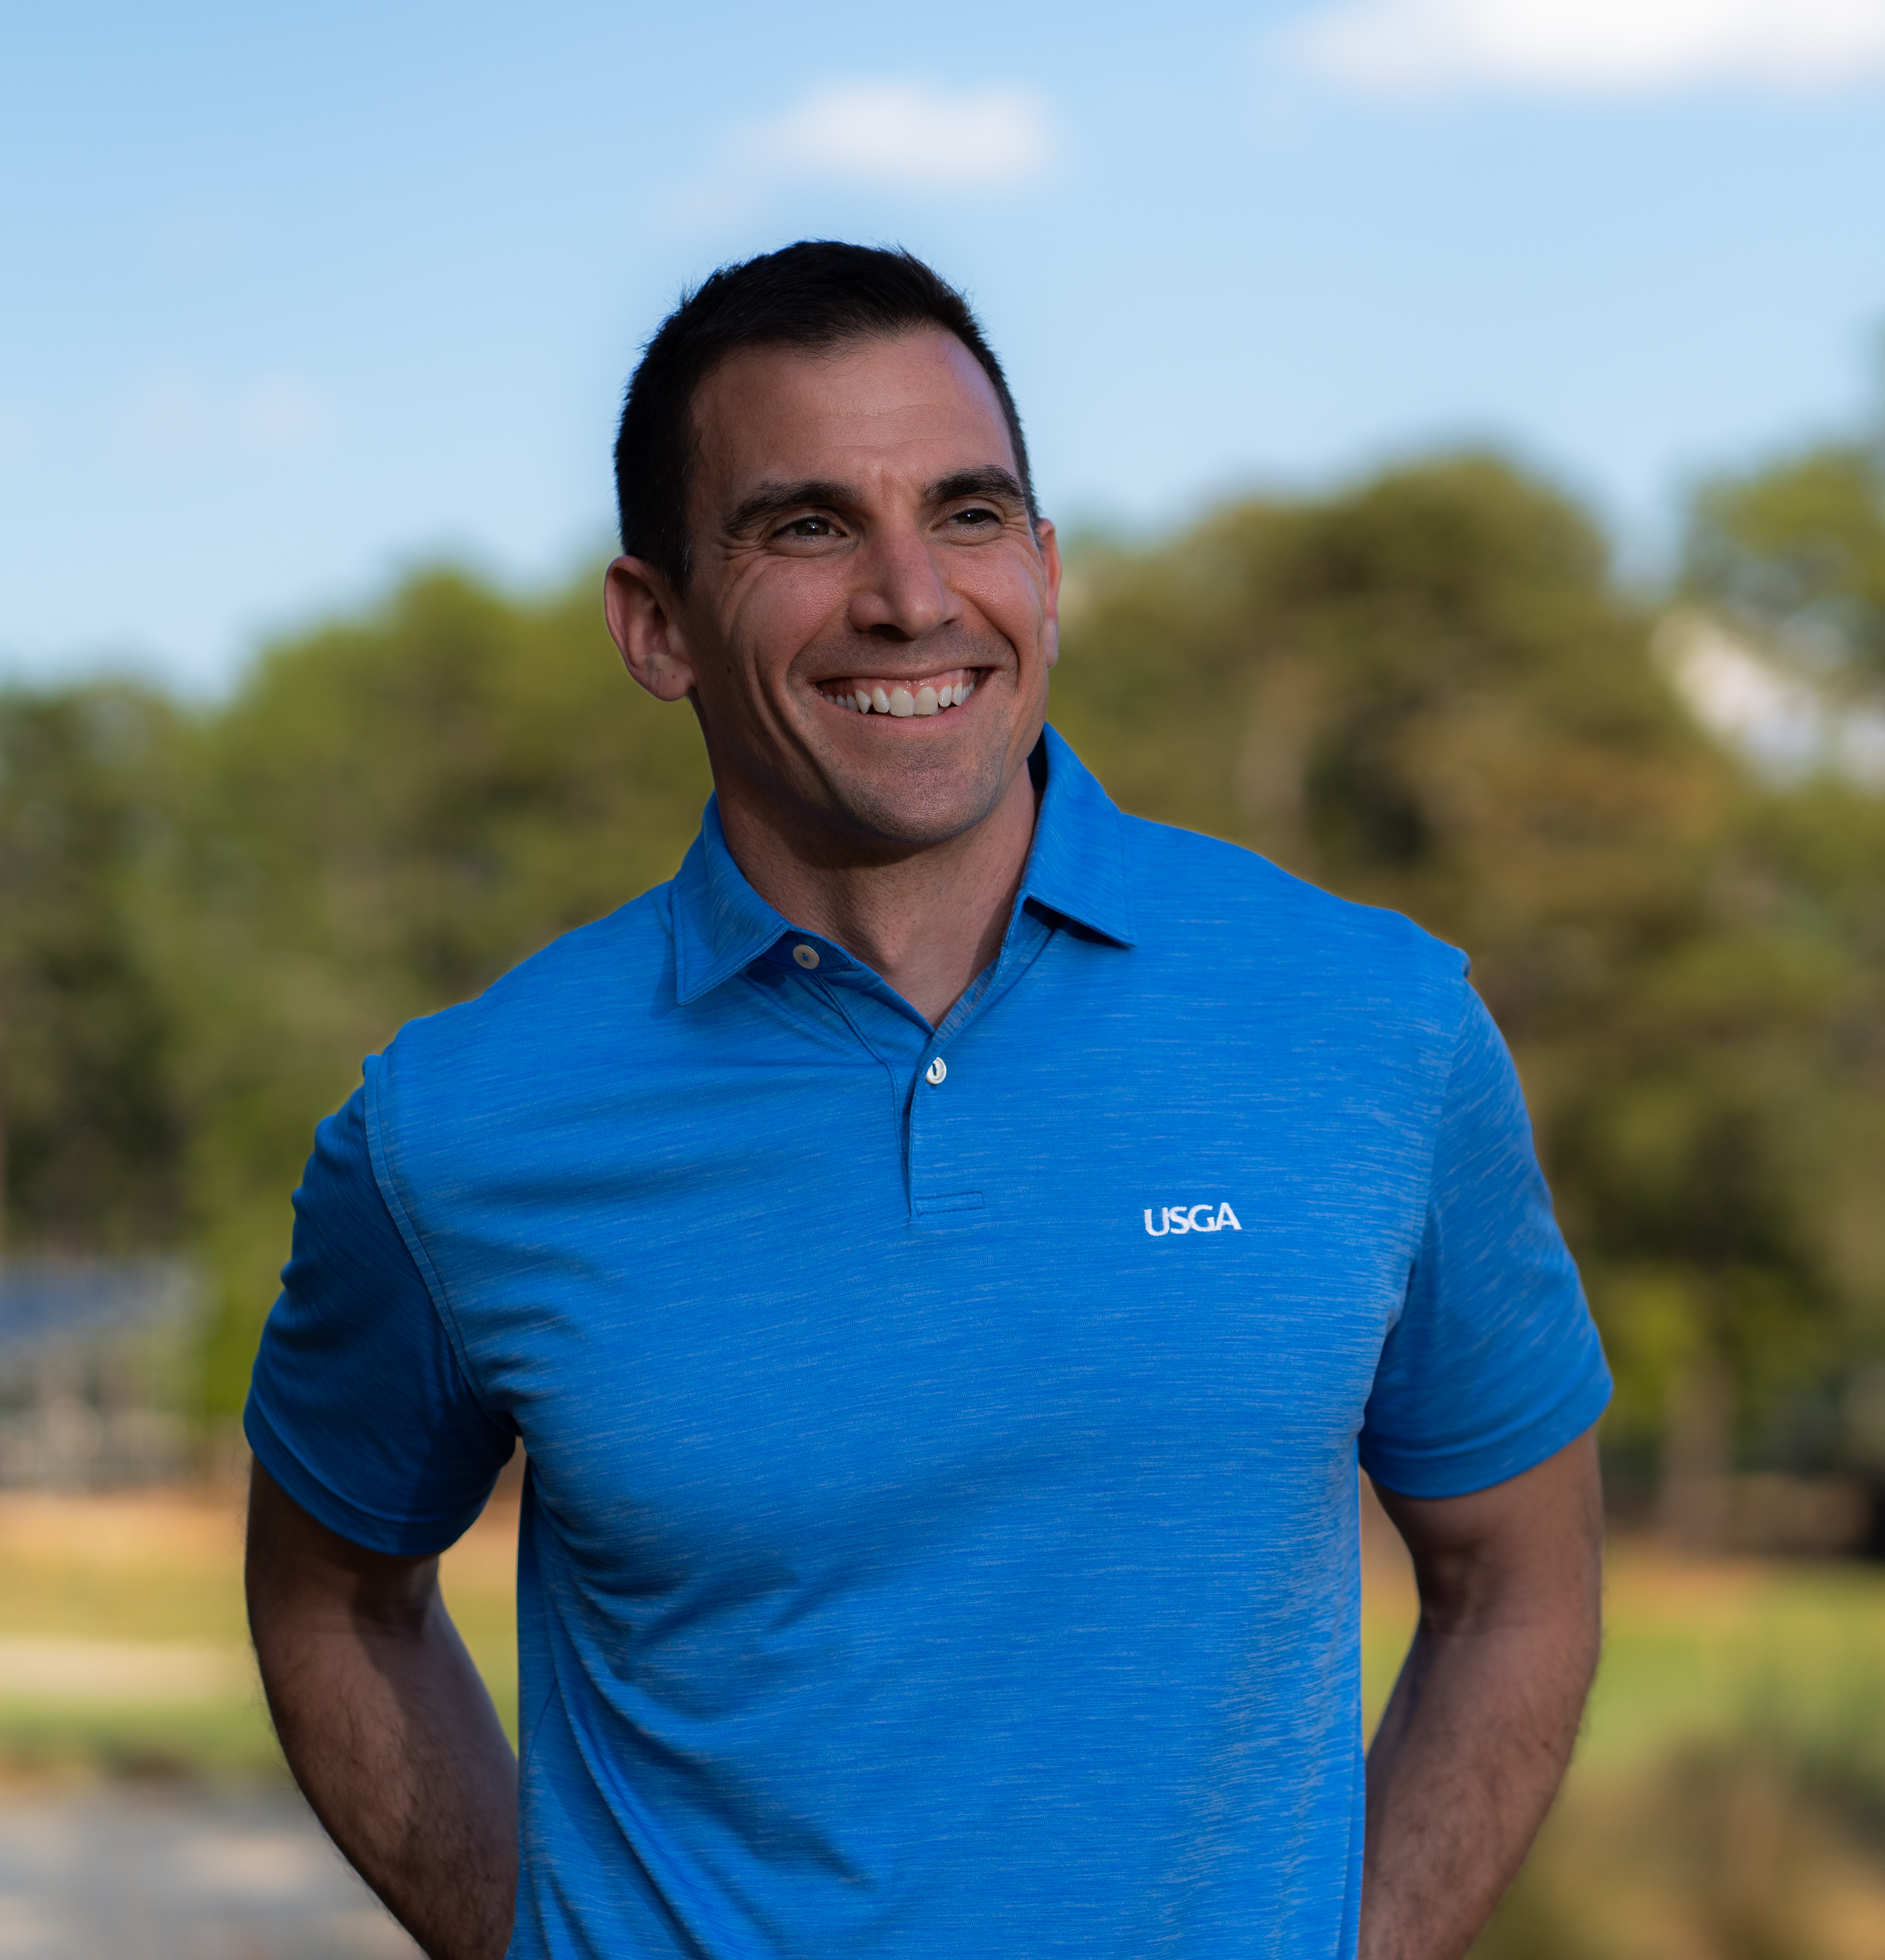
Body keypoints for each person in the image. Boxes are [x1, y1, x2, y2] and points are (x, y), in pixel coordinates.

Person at [240, 240, 1612, 1960]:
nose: (911, 597)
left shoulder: (1378, 1026)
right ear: (656, 623)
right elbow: (333, 1599)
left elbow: (1520, 1586)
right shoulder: (453, 1130)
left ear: (1044, 569)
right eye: (808, 527)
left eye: (968, 515)